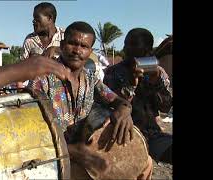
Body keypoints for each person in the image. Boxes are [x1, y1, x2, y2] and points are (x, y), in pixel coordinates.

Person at [27, 21, 152, 179]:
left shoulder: (91, 78)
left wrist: (125, 110)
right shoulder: (42, 79)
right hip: (55, 156)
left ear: (90, 51)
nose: (77, 50)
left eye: (84, 46)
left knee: (145, 162)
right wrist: (73, 151)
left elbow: (118, 100)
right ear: (62, 44)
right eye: (72, 43)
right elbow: (31, 135)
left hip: (86, 153)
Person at [103, 28, 172, 164]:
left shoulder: (158, 72)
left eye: (134, 45)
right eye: (126, 44)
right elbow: (111, 103)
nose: (127, 49)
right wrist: (131, 85)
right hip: (121, 136)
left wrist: (155, 80)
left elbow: (165, 107)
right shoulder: (113, 72)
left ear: (148, 50)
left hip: (152, 135)